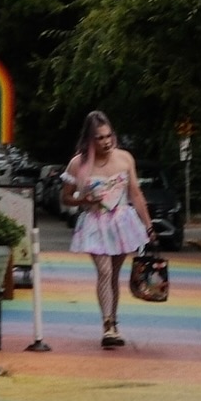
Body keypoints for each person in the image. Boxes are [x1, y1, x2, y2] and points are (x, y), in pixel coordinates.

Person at [61, 111, 153, 347]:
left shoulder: (124, 159)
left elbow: (135, 193)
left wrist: (148, 225)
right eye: (100, 138)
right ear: (90, 139)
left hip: (121, 221)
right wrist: (85, 199)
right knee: (104, 272)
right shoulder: (78, 164)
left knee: (113, 275)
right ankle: (107, 325)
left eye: (108, 136)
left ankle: (114, 322)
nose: (106, 142)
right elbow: (66, 198)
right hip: (95, 222)